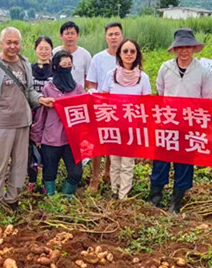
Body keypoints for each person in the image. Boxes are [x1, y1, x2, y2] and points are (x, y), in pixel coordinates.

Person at [0, 27, 55, 216]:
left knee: (19, 164)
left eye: (16, 42)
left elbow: (28, 92)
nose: (12, 46)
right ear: (1, 43)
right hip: (0, 124)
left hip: (22, 123)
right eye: (8, 42)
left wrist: (40, 99)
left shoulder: (25, 64)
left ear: (21, 44)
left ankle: (12, 198)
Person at [148, 29, 212, 214]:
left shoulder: (202, 71)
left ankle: (176, 201)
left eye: (188, 47)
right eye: (180, 47)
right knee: (161, 159)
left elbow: (206, 99)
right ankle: (156, 196)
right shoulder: (165, 68)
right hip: (167, 121)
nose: (184, 51)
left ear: (193, 48)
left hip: (189, 124)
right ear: (174, 49)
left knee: (184, 162)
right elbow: (161, 92)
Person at [99, 39, 151, 200]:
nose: (129, 55)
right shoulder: (111, 75)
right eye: (125, 51)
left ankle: (124, 194)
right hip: (113, 126)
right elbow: (103, 100)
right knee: (114, 161)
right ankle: (114, 191)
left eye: (132, 51)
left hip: (132, 128)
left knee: (127, 163)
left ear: (137, 55)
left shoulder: (143, 78)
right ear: (119, 54)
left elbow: (146, 105)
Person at [31, 50, 85, 195]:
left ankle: (66, 197)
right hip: (51, 138)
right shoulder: (48, 88)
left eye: (69, 65)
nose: (66, 67)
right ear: (55, 67)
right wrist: (37, 136)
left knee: (76, 173)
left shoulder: (79, 89)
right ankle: (51, 198)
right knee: (49, 172)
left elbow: (85, 114)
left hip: (71, 139)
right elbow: (41, 114)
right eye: (63, 65)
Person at [86, 22, 123, 191]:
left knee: (113, 141)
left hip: (122, 108)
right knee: (97, 143)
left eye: (116, 34)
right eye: (110, 34)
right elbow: (92, 84)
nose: (114, 37)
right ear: (106, 37)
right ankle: (95, 177)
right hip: (101, 107)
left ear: (121, 36)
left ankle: (108, 172)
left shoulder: (128, 56)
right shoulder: (98, 58)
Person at [28, 36, 54, 193]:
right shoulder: (28, 69)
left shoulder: (55, 70)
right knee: (30, 149)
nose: (44, 52)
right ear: (35, 49)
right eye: (41, 48)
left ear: (51, 50)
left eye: (47, 48)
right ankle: (31, 180)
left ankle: (46, 181)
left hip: (49, 116)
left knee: (47, 149)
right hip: (31, 114)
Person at [53, 20, 92, 86]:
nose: (70, 36)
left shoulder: (85, 55)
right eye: (67, 33)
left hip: (78, 93)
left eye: (72, 33)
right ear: (61, 36)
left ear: (77, 35)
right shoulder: (54, 53)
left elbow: (88, 77)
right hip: (58, 93)